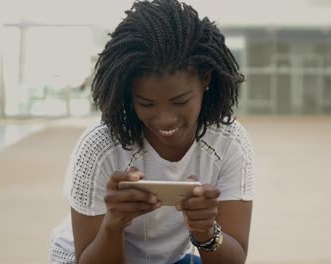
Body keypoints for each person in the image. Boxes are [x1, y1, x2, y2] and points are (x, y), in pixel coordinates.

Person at [49, 0, 254, 263]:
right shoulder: (99, 147)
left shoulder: (230, 143)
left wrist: (205, 231)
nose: (165, 120)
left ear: (206, 79)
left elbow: (234, 259)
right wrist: (114, 224)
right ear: (128, 92)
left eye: (180, 101)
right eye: (146, 103)